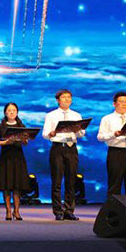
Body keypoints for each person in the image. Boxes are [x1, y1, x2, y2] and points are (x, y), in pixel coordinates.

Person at [42, 89, 85, 221]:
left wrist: (78, 130)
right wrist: (51, 133)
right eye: (64, 97)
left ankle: (69, 210)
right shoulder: (51, 115)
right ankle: (58, 211)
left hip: (72, 148)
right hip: (58, 148)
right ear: (58, 100)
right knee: (57, 181)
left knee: (71, 180)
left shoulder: (76, 115)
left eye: (69, 97)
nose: (67, 99)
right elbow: (45, 134)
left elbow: (81, 134)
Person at [97, 91, 126, 196]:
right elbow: (100, 137)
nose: (124, 104)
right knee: (114, 184)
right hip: (116, 152)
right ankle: (113, 206)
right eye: (121, 102)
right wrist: (114, 134)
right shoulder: (107, 119)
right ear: (114, 104)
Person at [0, 103, 31, 221]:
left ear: (17, 112)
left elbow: (26, 142)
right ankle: (8, 211)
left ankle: (17, 211)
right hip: (6, 157)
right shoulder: (1, 127)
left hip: (18, 157)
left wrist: (24, 140)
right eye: (9, 110)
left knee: (17, 185)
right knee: (6, 185)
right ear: (5, 113)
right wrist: (4, 142)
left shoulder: (21, 126)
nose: (12, 112)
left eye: (14, 110)